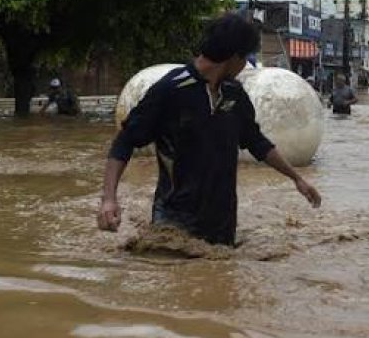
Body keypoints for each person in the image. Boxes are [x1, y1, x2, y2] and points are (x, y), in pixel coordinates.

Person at [97, 13, 321, 246]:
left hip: (222, 225)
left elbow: (256, 142)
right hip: (174, 222)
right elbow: (125, 140)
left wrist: (297, 178)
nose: (245, 65)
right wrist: (109, 199)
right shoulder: (171, 90)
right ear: (235, 57)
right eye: (245, 57)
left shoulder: (234, 94)